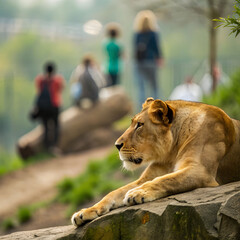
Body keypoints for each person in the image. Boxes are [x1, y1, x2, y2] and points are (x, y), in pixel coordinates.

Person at [133, 10, 164, 110]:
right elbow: (156, 47)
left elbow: (135, 47)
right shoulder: (154, 33)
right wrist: (160, 58)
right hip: (151, 61)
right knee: (154, 86)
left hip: (140, 62)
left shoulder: (137, 34)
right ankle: (157, 108)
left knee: (141, 87)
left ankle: (141, 109)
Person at [35, 61, 65, 151]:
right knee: (56, 126)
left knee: (45, 127)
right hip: (54, 105)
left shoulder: (40, 80)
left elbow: (38, 90)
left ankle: (46, 146)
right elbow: (61, 89)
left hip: (43, 107)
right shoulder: (57, 80)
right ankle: (54, 146)